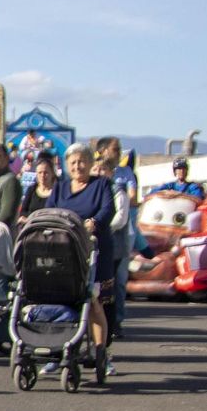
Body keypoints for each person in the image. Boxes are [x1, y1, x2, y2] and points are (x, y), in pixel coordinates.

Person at [47, 142, 116, 366]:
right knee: (61, 301)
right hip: (64, 252)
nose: (78, 166)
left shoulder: (102, 185)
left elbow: (108, 210)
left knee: (93, 302)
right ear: (67, 165)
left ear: (90, 163)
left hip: (94, 251)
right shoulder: (60, 188)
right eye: (73, 162)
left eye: (82, 161)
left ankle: (100, 354)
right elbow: (48, 210)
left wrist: (93, 223)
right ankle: (60, 351)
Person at [95, 137, 138, 335]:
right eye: (115, 149)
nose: (119, 152)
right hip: (97, 238)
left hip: (119, 236)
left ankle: (116, 321)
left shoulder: (125, 175)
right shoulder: (93, 184)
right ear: (103, 151)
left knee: (118, 281)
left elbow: (131, 200)